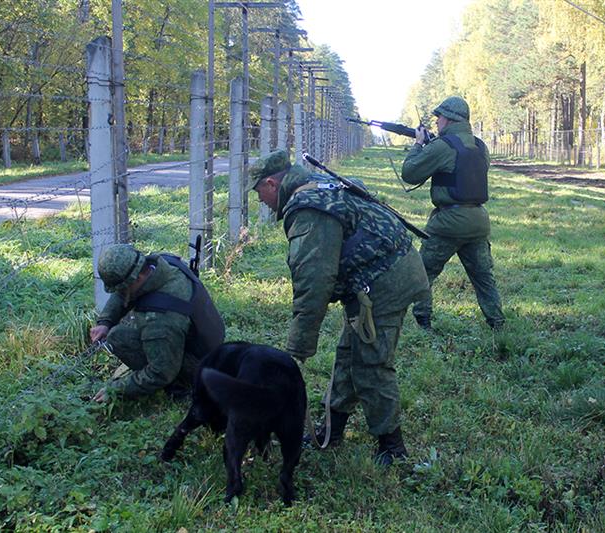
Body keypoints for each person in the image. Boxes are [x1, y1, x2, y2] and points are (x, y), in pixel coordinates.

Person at [249, 150, 430, 465]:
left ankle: (393, 448)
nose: (260, 200)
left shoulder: (308, 210)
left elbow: (314, 284)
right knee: (349, 355)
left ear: (270, 183)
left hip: (386, 284)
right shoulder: (318, 186)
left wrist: (297, 350)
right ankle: (332, 431)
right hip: (379, 279)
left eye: (258, 192)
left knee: (372, 364)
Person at [401, 96, 505, 330]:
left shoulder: (442, 146)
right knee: (484, 278)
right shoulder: (481, 146)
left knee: (423, 273)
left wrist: (418, 145)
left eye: (439, 117)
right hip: (478, 221)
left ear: (449, 119)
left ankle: (423, 321)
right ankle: (497, 323)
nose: (436, 122)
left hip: (448, 223)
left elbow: (410, 173)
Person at [90, 244, 225, 402]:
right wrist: (105, 321)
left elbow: (160, 372)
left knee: (118, 337)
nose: (119, 293)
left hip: (200, 368)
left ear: (137, 278)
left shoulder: (160, 319)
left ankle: (180, 386)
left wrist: (116, 389)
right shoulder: (162, 264)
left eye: (121, 289)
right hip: (213, 349)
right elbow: (124, 291)